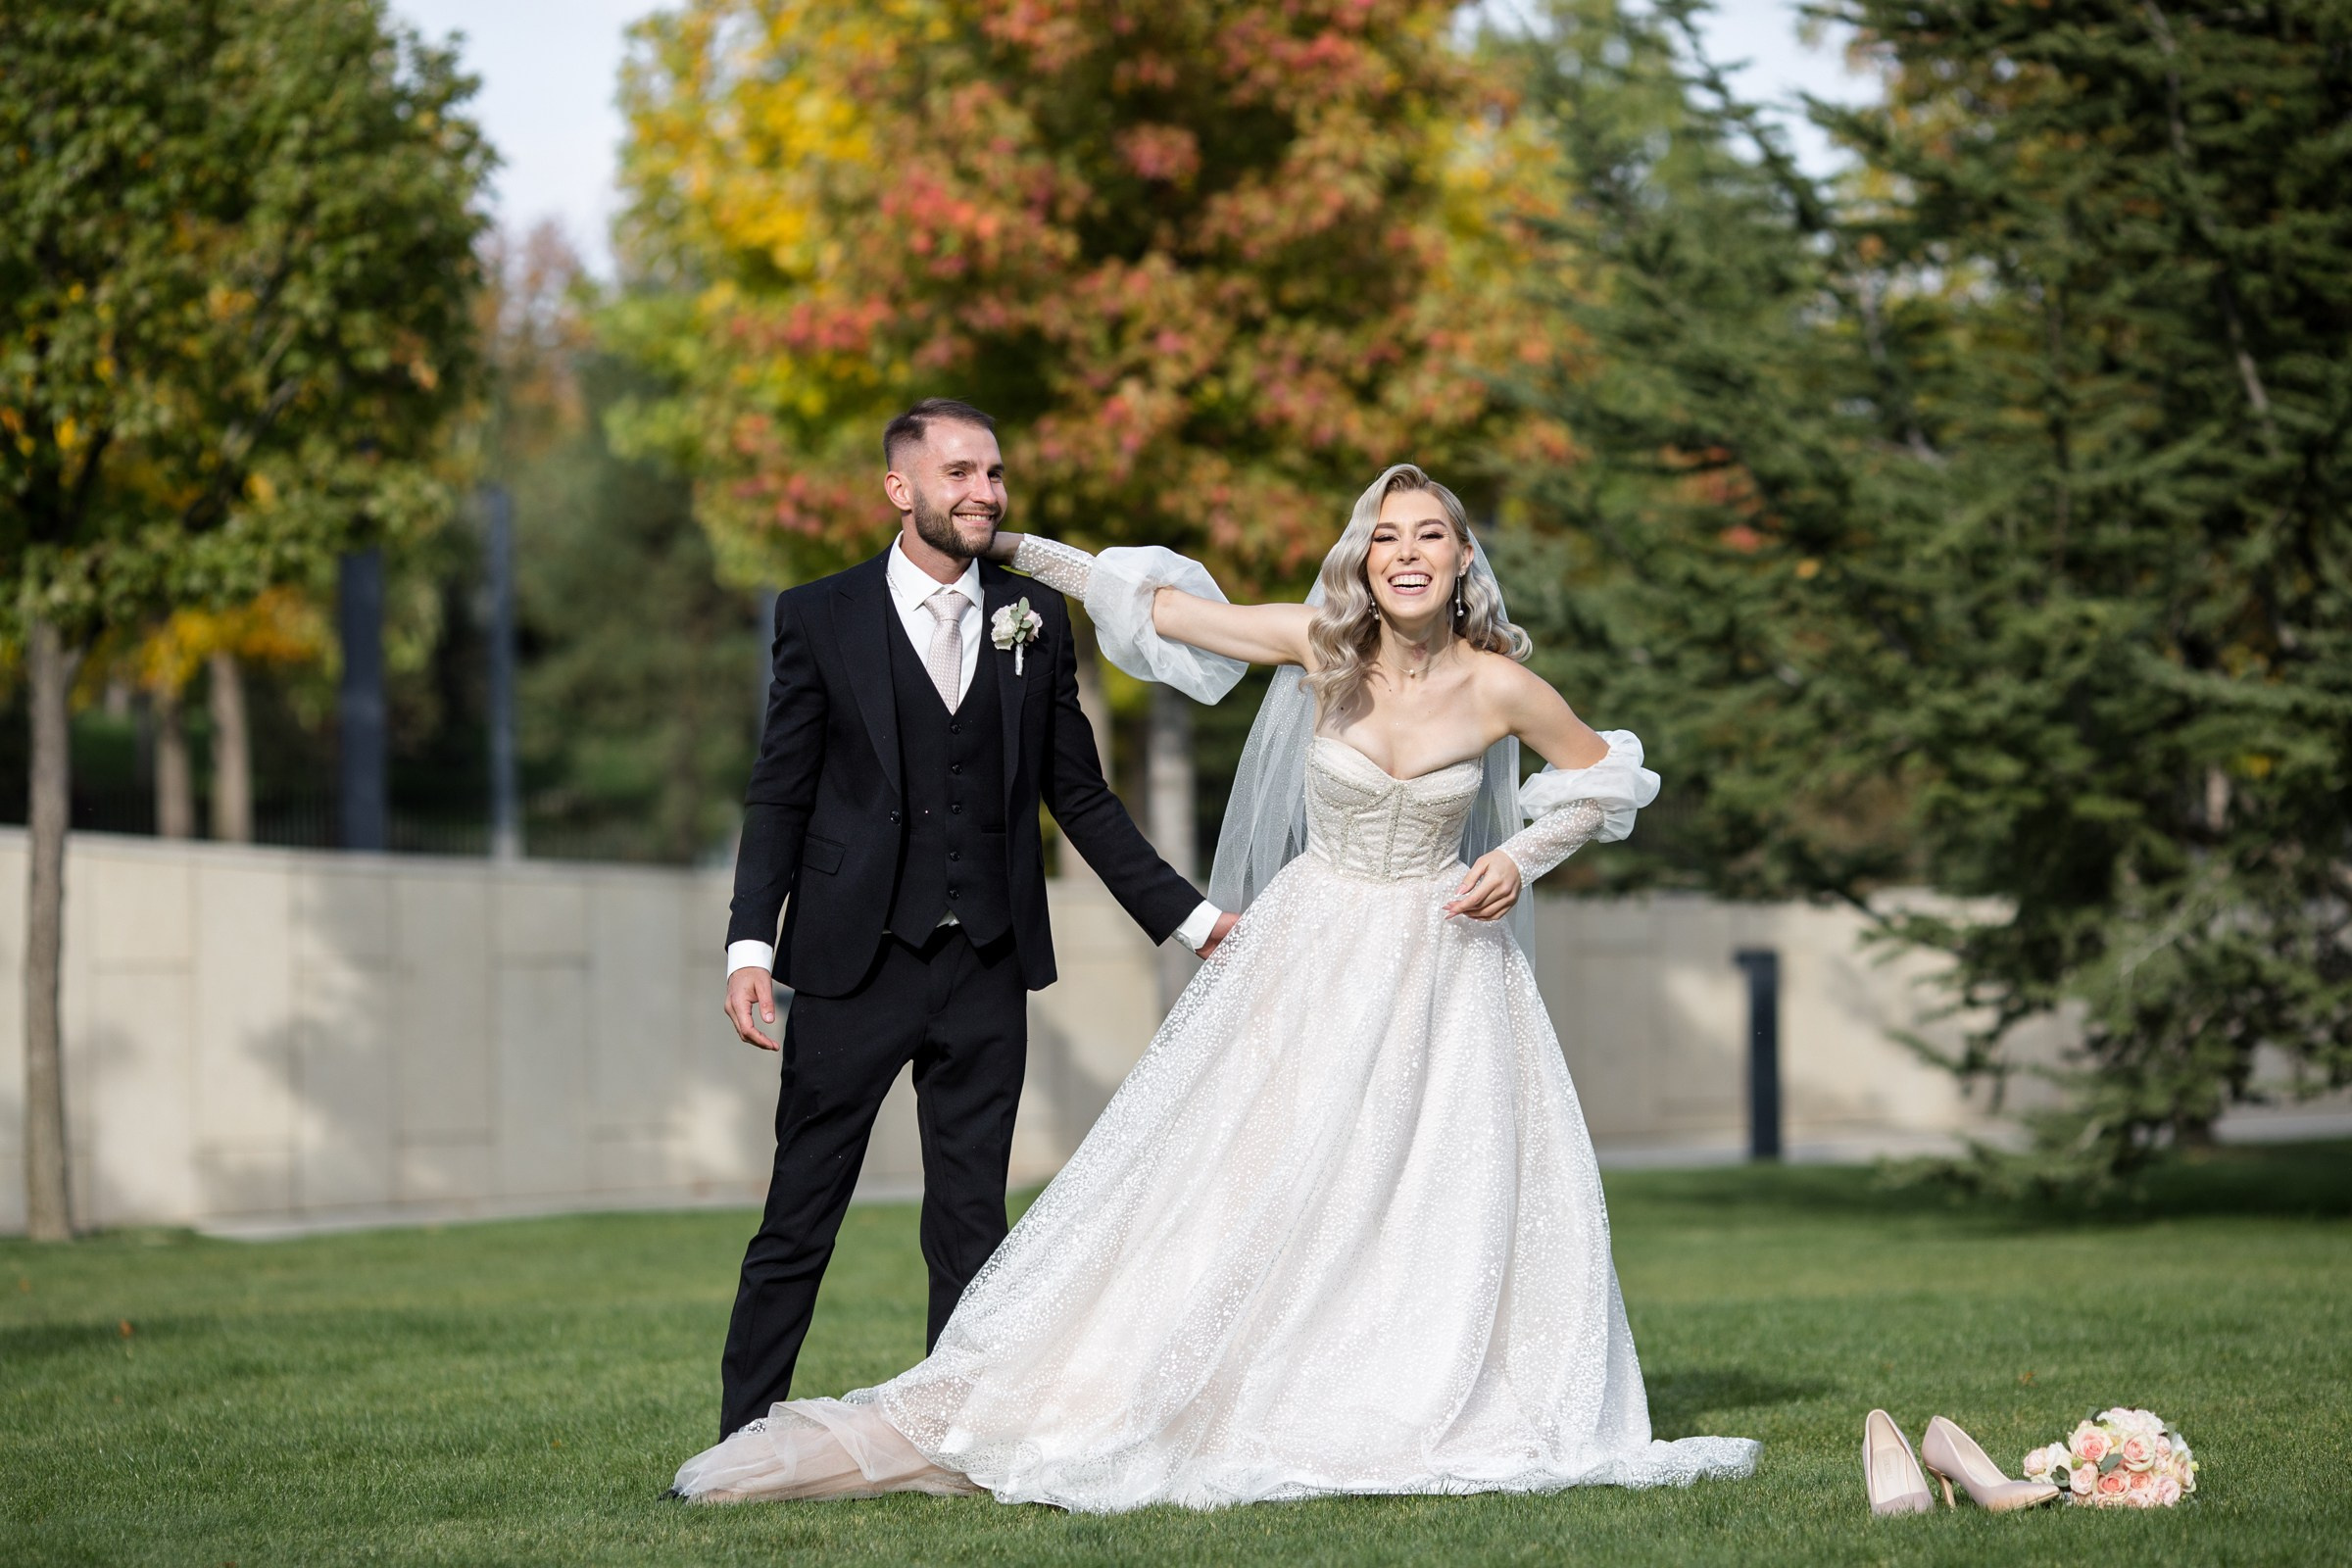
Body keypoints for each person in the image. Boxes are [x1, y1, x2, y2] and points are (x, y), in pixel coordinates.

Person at [676, 461, 1759, 1509]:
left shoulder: (1501, 684)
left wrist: (1522, 857)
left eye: (1430, 534)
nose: (1407, 553)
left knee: (1427, 1190)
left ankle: (1393, 1386)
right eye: (1386, 535)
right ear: (1362, 558)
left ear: (1464, 557)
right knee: (1249, 1183)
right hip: (1311, 950)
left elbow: (1608, 774)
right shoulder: (1316, 644)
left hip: (1444, 971)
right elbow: (1158, 608)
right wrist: (1013, 547)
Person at [711, 397, 1236, 1443]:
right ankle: (739, 1437)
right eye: (960, 473)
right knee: (798, 1218)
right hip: (852, 963)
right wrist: (750, 944)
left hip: (986, 964)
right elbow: (780, 791)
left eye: (994, 472)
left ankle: (956, 1436)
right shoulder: (819, 615)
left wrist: (1196, 921)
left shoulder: (1036, 622)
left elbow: (1078, 796)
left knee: (971, 1225)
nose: (986, 493)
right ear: (901, 489)